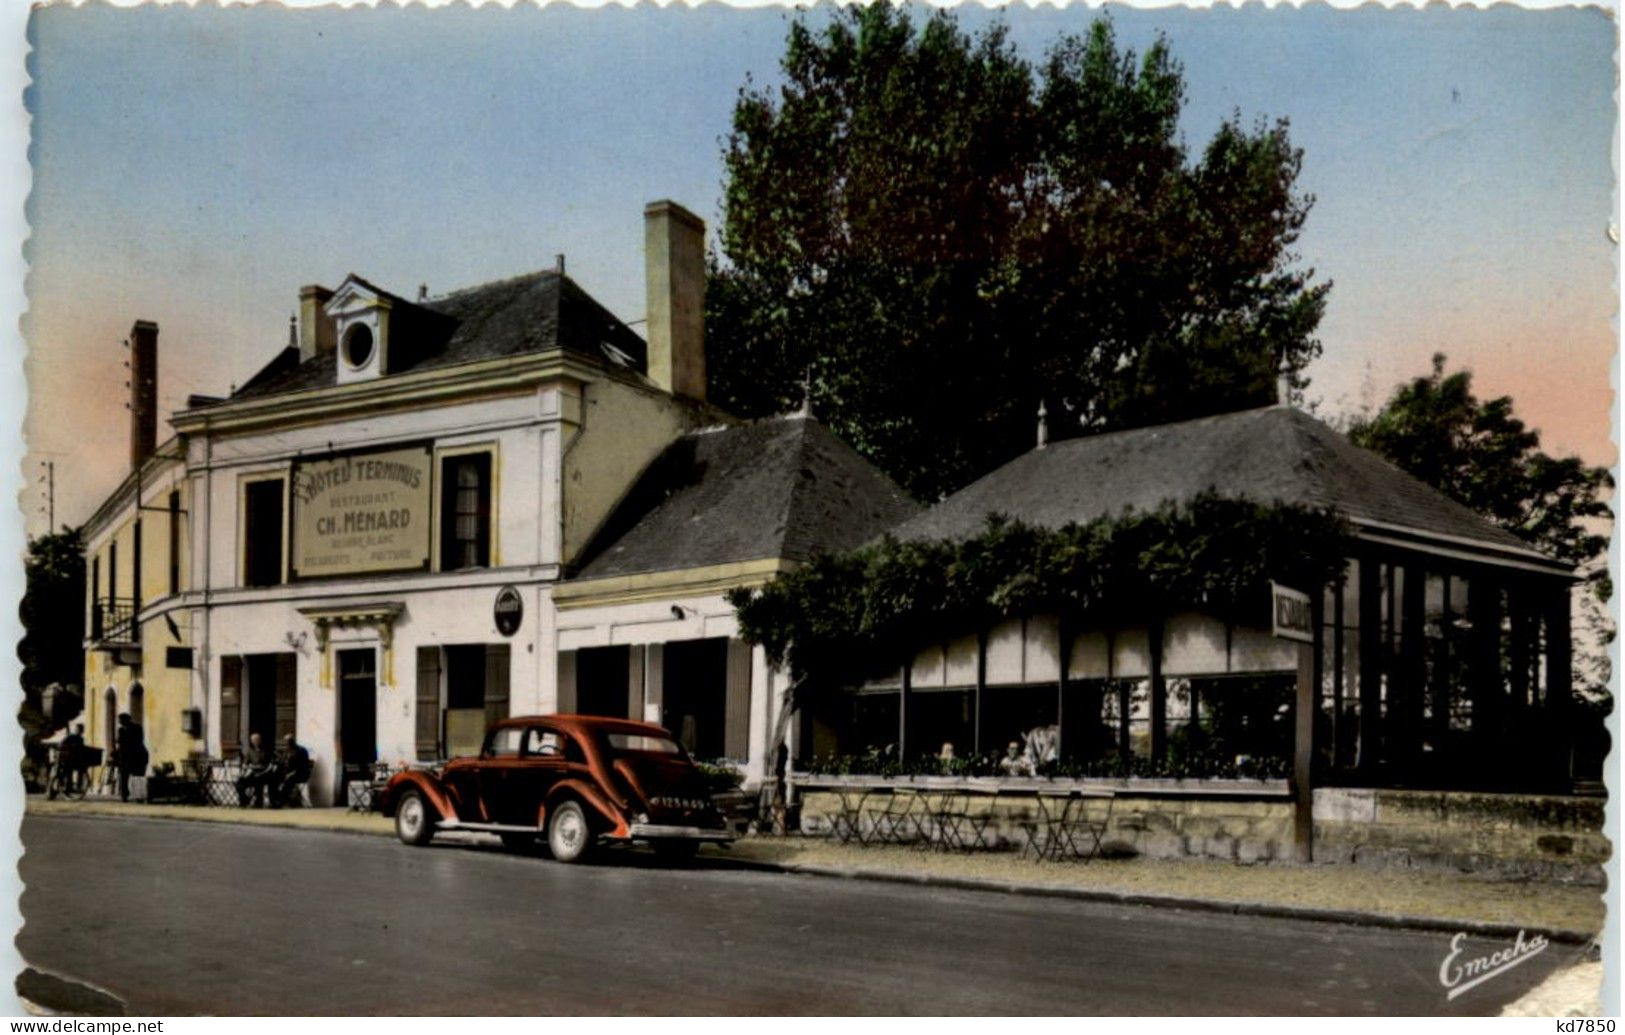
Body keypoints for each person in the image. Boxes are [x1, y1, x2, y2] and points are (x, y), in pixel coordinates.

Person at [114, 713, 148, 803]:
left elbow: (137, 741)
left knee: (138, 776)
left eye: (121, 720)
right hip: (126, 757)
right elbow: (120, 743)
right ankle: (124, 795)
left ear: (126, 720)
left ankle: (139, 796)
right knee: (124, 776)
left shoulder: (137, 728)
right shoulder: (121, 730)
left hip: (137, 756)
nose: (119, 722)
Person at [272, 734, 312, 808]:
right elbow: (282, 763)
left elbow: (302, 765)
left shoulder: (301, 750)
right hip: (286, 773)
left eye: (288, 741)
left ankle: (283, 801)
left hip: (299, 773)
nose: (286, 744)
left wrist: (291, 773)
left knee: (289, 780)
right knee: (272, 779)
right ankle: (275, 800)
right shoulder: (286, 751)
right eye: (285, 742)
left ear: (293, 741)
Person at [235, 732, 274, 807]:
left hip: (264, 774)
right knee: (239, 783)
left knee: (258, 780)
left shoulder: (267, 751)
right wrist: (243, 772)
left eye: (257, 740)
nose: (256, 742)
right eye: (254, 740)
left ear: (260, 741)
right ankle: (244, 799)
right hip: (252, 773)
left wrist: (264, 771)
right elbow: (245, 764)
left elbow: (271, 765)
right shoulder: (250, 752)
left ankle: (258, 802)